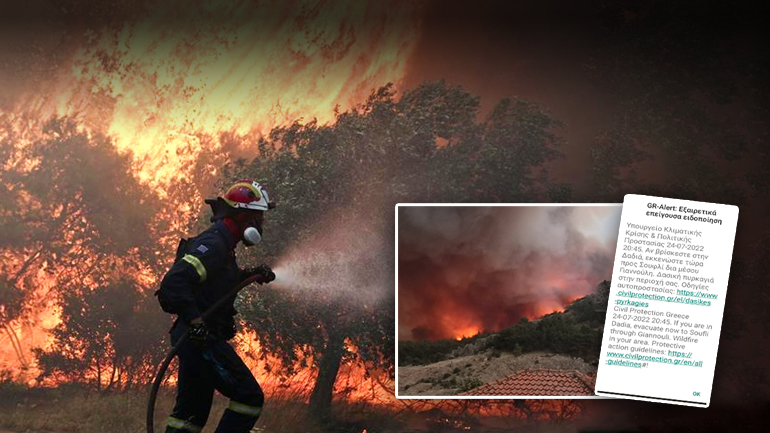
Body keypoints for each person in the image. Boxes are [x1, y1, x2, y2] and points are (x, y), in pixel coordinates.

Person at [156, 179, 277, 433]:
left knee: (189, 416)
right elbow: (174, 282)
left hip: (193, 339)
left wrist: (250, 275)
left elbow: (214, 285)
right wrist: (196, 322)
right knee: (249, 397)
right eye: (259, 218)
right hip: (199, 339)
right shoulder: (215, 244)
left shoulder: (224, 244)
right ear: (244, 217)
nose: (261, 224)